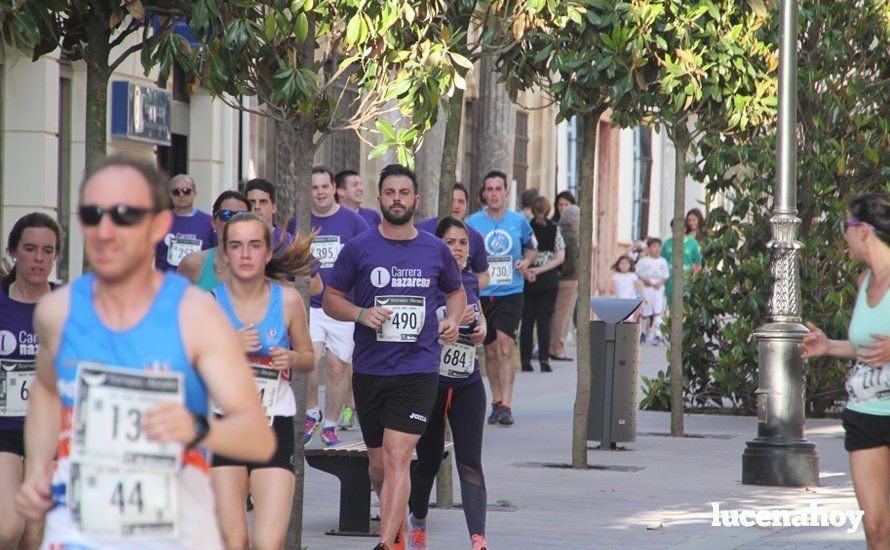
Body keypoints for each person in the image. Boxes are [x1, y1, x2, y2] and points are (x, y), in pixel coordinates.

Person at [15, 153, 275, 549]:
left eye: (124, 214)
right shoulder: (58, 312)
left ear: (158, 225)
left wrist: (196, 429)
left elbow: (257, 437)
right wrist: (36, 471)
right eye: (93, 213)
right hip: (83, 530)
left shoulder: (194, 314)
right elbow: (47, 391)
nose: (105, 229)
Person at [323, 164, 465, 550]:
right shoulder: (360, 248)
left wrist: (452, 320)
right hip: (370, 368)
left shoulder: (435, 249)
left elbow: (456, 293)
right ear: (380, 198)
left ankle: (387, 542)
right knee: (380, 465)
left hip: (418, 368)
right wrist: (360, 314)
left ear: (416, 200)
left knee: (399, 455)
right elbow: (331, 298)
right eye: (390, 192)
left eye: (404, 192)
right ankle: (394, 518)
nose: (397, 199)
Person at [210, 212, 316, 550]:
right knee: (234, 540)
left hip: (275, 422)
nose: (245, 254)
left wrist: (294, 359)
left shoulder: (286, 300)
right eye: (236, 246)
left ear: (268, 253)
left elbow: (309, 357)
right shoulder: (207, 304)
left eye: (254, 245)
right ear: (224, 253)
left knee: (268, 543)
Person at [799, 194, 890, 550]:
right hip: (865, 415)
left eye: (846, 227)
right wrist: (830, 346)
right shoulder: (864, 282)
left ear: (864, 230)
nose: (844, 236)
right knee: (876, 528)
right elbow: (868, 345)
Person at [407, 217, 490, 550]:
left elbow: (478, 316)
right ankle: (418, 523)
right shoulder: (426, 280)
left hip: (468, 381)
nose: (457, 248)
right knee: (428, 460)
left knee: (470, 461)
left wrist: (481, 326)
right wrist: (445, 323)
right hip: (431, 383)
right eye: (451, 242)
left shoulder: (470, 280)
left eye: (463, 243)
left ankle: (478, 539)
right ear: (438, 244)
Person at [0, 213, 60, 550]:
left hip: (49, 428)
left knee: (35, 533)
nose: (38, 258)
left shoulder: (67, 305)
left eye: (47, 251)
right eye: (30, 249)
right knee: (8, 528)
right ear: (13, 251)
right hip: (5, 426)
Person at [300, 166, 368, 447]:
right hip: (311, 306)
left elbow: (368, 256)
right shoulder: (299, 221)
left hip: (342, 306)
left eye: (324, 186)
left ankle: (330, 425)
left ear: (334, 189)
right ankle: (311, 412)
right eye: (314, 188)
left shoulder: (353, 222)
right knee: (310, 360)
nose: (320, 193)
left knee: (338, 367)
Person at [466, 170, 536, 426]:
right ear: (484, 194)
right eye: (490, 189)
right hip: (482, 293)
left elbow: (531, 248)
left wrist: (525, 261)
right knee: (491, 350)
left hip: (511, 292)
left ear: (507, 192)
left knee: (506, 346)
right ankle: (495, 401)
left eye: (498, 189)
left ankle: (506, 404)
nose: (494, 194)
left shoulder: (518, 221)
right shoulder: (472, 222)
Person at [520, 196, 565, 373]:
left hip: (527, 277)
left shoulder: (526, 227)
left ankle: (525, 360)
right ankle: (544, 359)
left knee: (527, 320)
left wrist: (528, 270)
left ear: (532, 209)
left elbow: (519, 251)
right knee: (544, 320)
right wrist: (542, 270)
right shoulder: (555, 229)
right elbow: (560, 257)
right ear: (548, 210)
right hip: (548, 278)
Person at [416, 183, 490, 290]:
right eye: (452, 200)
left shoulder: (475, 237)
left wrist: (469, 290)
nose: (456, 206)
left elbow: (484, 275)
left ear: (467, 205)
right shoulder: (421, 230)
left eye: (460, 201)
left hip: (460, 300)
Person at [178, 190, 251, 292]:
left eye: (241, 215)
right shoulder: (192, 263)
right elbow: (175, 304)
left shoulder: (259, 267)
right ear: (213, 222)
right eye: (225, 215)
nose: (233, 221)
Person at [155, 174, 217, 272]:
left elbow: (216, 255)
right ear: (170, 195)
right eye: (176, 192)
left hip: (199, 284)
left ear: (194, 193)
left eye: (186, 191)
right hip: (166, 282)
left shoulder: (209, 222)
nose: (181, 195)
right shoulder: (160, 221)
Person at [549, 204, 579, 361]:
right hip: (569, 279)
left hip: (558, 277)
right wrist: (562, 272)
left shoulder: (558, 231)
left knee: (555, 313)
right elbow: (572, 261)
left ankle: (552, 346)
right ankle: (556, 348)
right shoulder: (571, 236)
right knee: (562, 315)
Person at [246, 178, 293, 258]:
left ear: (273, 208)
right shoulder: (238, 239)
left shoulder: (288, 242)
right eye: (252, 202)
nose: (257, 207)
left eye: (263, 202)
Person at [636, 238, 670, 345]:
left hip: (658, 289)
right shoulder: (644, 261)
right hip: (647, 288)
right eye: (654, 246)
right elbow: (638, 272)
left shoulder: (663, 261)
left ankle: (658, 335)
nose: (657, 249)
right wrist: (645, 280)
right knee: (645, 312)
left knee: (657, 312)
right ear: (649, 248)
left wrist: (660, 283)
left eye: (659, 246)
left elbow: (666, 275)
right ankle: (642, 332)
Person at [662, 211, 703, 298]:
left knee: (685, 308)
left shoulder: (693, 244)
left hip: (687, 283)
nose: (675, 231)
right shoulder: (667, 244)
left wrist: (695, 279)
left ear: (684, 229)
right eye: (673, 229)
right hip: (670, 283)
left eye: (678, 229)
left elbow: (698, 263)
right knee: (671, 308)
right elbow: (662, 262)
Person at [610, 255, 645, 322]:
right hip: (619, 301)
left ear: (630, 265)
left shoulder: (632, 276)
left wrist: (643, 296)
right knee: (621, 319)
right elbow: (612, 287)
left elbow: (638, 286)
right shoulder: (616, 276)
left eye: (626, 263)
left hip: (630, 301)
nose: (624, 265)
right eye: (622, 263)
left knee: (629, 319)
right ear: (618, 265)